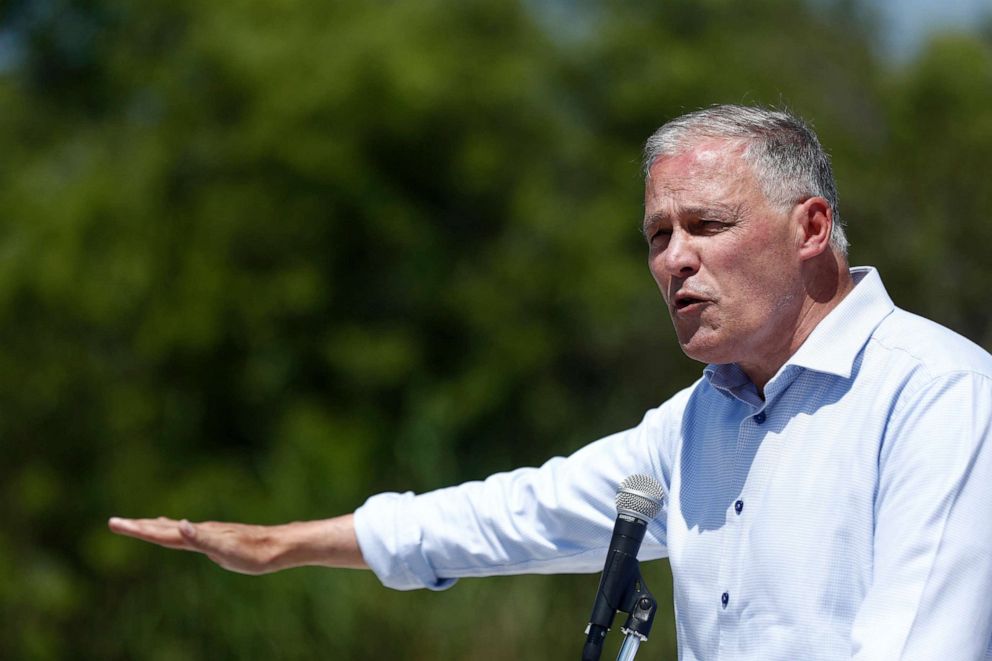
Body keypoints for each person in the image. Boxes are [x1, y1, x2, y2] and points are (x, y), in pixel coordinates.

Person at [109, 105, 992, 659]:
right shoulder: (697, 423)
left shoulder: (940, 396)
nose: (674, 259)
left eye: (707, 225)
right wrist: (280, 546)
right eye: (656, 236)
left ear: (811, 227)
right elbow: (508, 516)